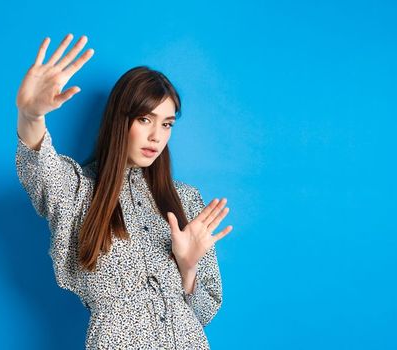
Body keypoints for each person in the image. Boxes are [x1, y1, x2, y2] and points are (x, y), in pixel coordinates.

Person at [14, 33, 234, 349]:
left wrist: (187, 267)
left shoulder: (185, 200)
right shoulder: (79, 192)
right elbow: (41, 169)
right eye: (145, 119)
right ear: (121, 120)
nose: (156, 136)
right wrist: (31, 115)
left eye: (167, 124)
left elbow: (202, 313)